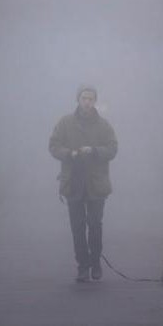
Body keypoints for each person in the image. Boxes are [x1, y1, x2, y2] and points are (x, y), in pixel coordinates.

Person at [49, 84, 118, 282]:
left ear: (95, 101)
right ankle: (82, 266)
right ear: (77, 100)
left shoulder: (104, 125)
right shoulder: (65, 123)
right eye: (84, 98)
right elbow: (53, 145)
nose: (87, 102)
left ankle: (95, 263)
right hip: (73, 183)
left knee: (95, 225)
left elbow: (113, 149)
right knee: (77, 227)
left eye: (91, 99)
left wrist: (95, 151)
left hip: (96, 184)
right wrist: (68, 153)